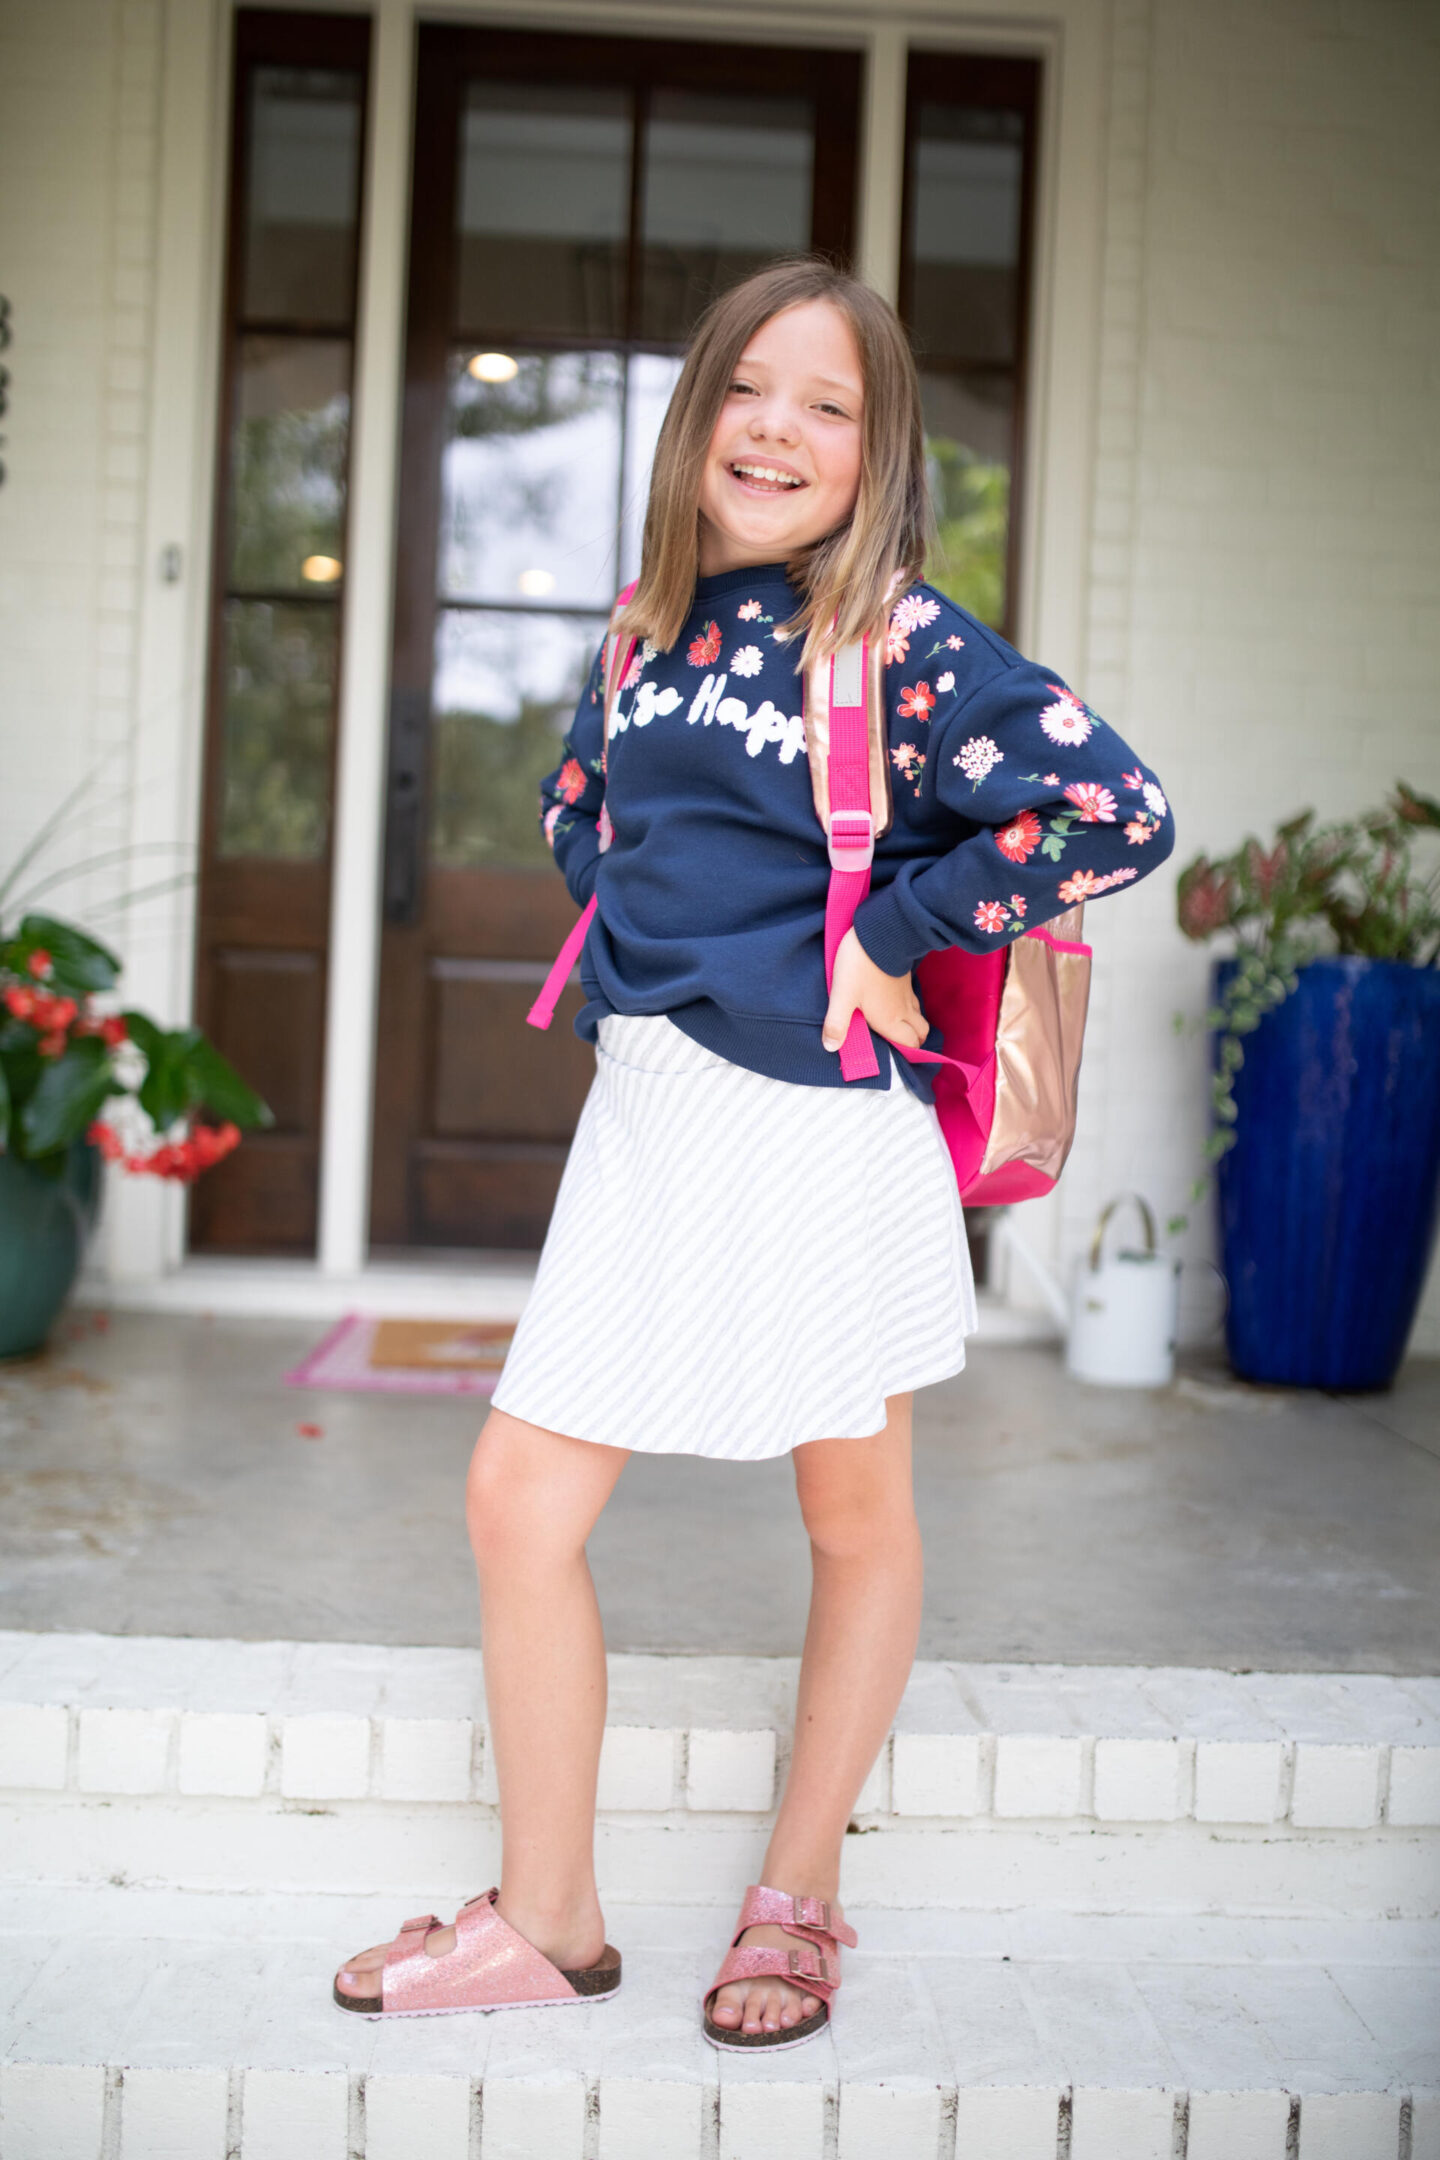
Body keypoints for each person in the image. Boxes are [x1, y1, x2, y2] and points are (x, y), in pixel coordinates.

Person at [333, 257, 1175, 2046]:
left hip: (811, 1133)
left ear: (880, 452)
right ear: (695, 411)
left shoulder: (904, 643)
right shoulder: (642, 628)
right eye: (749, 390)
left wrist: (893, 930)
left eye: (829, 404)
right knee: (517, 1504)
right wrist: (647, 934)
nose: (780, 429)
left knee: (853, 1513)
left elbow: (1118, 807)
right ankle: (550, 1917)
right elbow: (584, 806)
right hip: (646, 1111)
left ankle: (800, 1893)